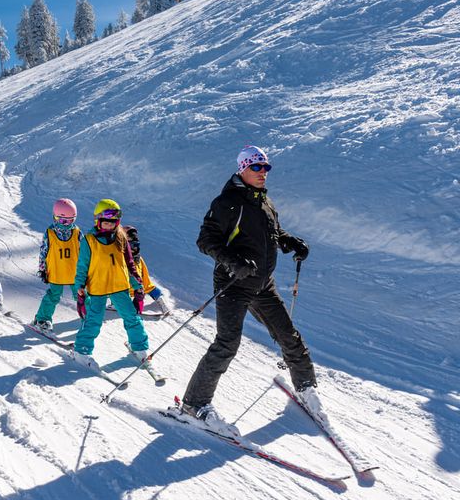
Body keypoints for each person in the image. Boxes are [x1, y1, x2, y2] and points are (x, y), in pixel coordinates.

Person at [180, 145, 317, 437]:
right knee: (227, 343)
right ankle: (194, 404)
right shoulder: (227, 202)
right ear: (243, 168)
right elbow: (205, 240)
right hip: (233, 285)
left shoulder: (263, 201)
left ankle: (306, 387)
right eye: (257, 167)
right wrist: (233, 262)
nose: (263, 173)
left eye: (266, 167)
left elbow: (272, 232)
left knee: (288, 335)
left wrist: (289, 241)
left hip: (262, 285)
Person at [72, 199, 149, 370]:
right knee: (94, 320)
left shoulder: (121, 237)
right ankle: (81, 350)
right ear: (98, 221)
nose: (109, 226)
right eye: (105, 223)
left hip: (119, 286)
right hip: (97, 287)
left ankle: (139, 348)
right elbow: (82, 266)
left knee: (132, 317)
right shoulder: (89, 240)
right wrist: (80, 287)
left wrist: (138, 286)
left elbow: (130, 264)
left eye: (112, 223)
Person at [32, 199, 82, 333]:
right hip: (56, 271)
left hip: (74, 272)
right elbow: (43, 252)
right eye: (62, 221)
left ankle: (88, 317)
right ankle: (42, 319)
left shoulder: (77, 232)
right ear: (55, 217)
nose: (66, 224)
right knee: (53, 296)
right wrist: (42, 269)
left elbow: (84, 252)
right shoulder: (50, 233)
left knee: (82, 295)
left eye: (70, 221)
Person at [123, 225, 171, 316]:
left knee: (147, 286)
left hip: (133, 288)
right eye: (130, 245)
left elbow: (145, 276)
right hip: (131, 288)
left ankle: (160, 299)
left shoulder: (137, 259)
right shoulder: (131, 257)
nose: (133, 248)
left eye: (135, 245)